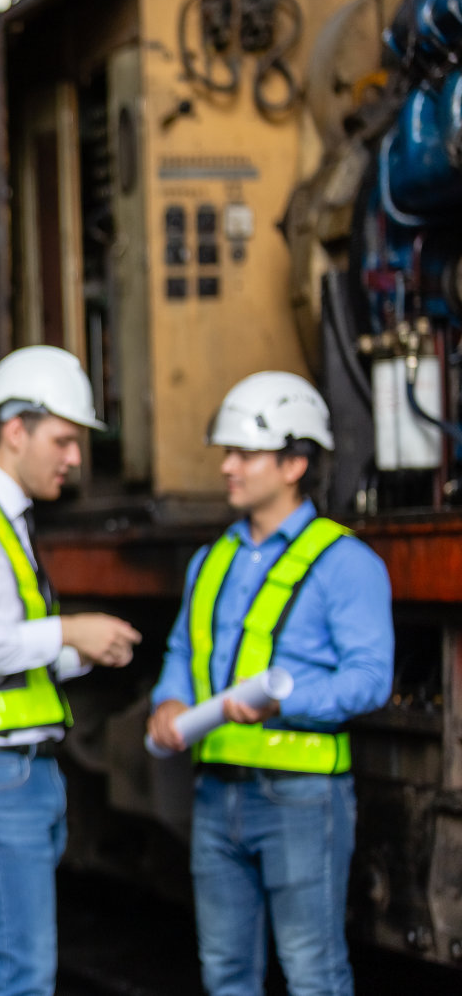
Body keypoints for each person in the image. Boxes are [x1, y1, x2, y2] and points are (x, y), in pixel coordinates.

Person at [147, 372, 393, 996]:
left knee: (313, 974)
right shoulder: (213, 559)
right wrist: (168, 700)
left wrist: (288, 700)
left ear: (293, 463)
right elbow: (184, 648)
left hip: (301, 798)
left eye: (244, 454)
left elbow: (369, 680)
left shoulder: (345, 563)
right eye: (226, 452)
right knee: (226, 974)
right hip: (215, 795)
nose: (227, 467)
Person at [0, 344, 142, 996]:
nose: (74, 458)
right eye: (64, 439)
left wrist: (77, 652)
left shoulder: (4, 519)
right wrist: (66, 630)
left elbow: (3, 655)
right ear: (17, 430)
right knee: (19, 973)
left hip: (14, 772)